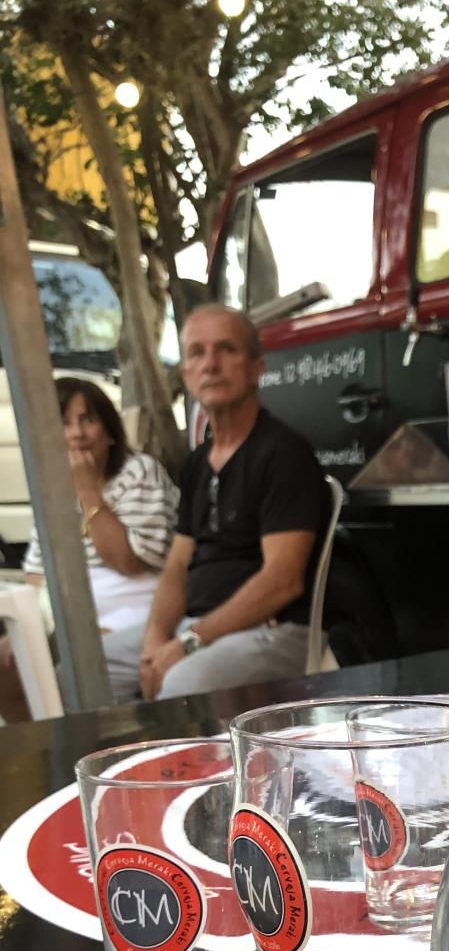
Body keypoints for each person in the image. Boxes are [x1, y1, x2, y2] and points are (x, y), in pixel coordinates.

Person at [104, 303, 327, 701]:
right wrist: (155, 640)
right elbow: (177, 565)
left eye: (226, 349)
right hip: (198, 626)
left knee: (181, 685)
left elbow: (283, 581)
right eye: (197, 352)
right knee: (81, 673)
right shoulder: (196, 464)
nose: (210, 364)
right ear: (186, 374)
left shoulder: (283, 454)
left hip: (271, 630)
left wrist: (188, 642)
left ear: (257, 368)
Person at [0, 376, 178, 721]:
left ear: (109, 431)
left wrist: (88, 491)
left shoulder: (139, 472)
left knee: (65, 677)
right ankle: (47, 748)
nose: (77, 433)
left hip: (139, 612)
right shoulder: (53, 488)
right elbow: (36, 573)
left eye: (87, 420)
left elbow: (128, 562)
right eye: (64, 423)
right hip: (69, 619)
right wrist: (27, 633)